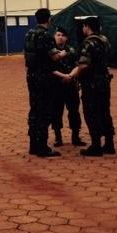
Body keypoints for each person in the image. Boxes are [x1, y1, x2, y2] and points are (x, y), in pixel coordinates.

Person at [24, 8, 68, 158]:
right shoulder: (46, 35)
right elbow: (54, 57)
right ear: (49, 19)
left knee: (34, 110)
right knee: (44, 111)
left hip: (32, 76)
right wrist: (64, 53)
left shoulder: (29, 34)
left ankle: (33, 145)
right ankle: (42, 147)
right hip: (44, 77)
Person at [68, 17, 115, 157]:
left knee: (92, 113)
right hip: (104, 81)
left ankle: (96, 146)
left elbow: (84, 64)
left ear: (87, 26)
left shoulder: (88, 43)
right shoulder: (104, 40)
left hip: (91, 84)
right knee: (104, 111)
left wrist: (77, 77)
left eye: (83, 26)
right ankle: (109, 143)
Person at [50, 27, 85, 147]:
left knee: (74, 111)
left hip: (70, 85)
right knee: (56, 112)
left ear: (66, 38)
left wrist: (70, 75)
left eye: (63, 35)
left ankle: (75, 137)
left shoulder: (71, 50)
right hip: (56, 86)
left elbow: (77, 65)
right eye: (58, 35)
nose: (60, 38)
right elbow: (49, 68)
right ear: (54, 36)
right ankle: (58, 138)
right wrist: (63, 76)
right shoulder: (51, 51)